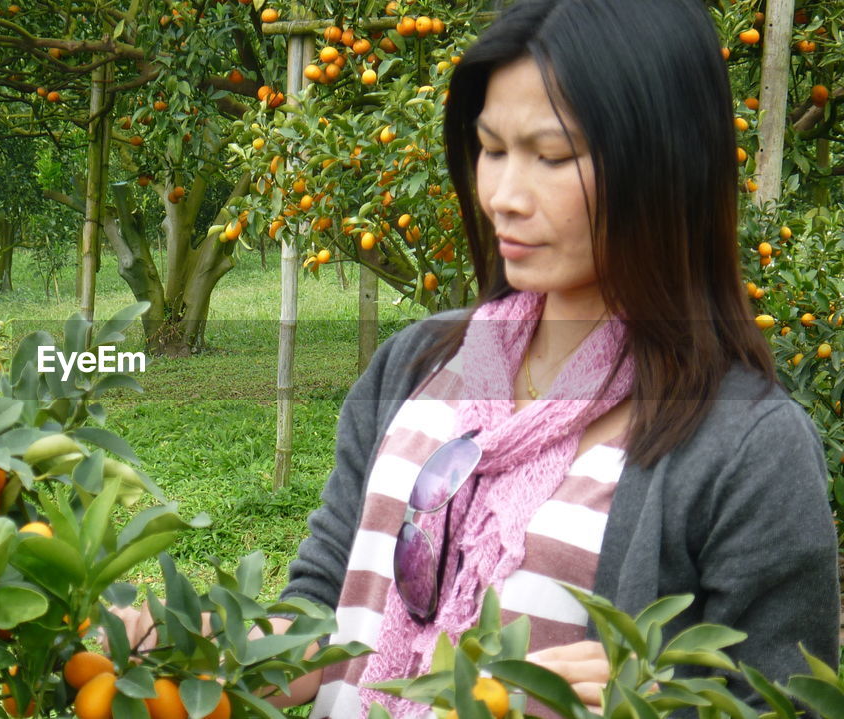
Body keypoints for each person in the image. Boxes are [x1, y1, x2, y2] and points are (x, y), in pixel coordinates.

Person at [116, 0, 839, 717]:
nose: (503, 196)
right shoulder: (418, 366)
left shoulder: (747, 448)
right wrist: (195, 645)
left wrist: (650, 701)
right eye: (492, 149)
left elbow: (778, 700)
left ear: (664, 162)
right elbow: (324, 613)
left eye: (551, 156)